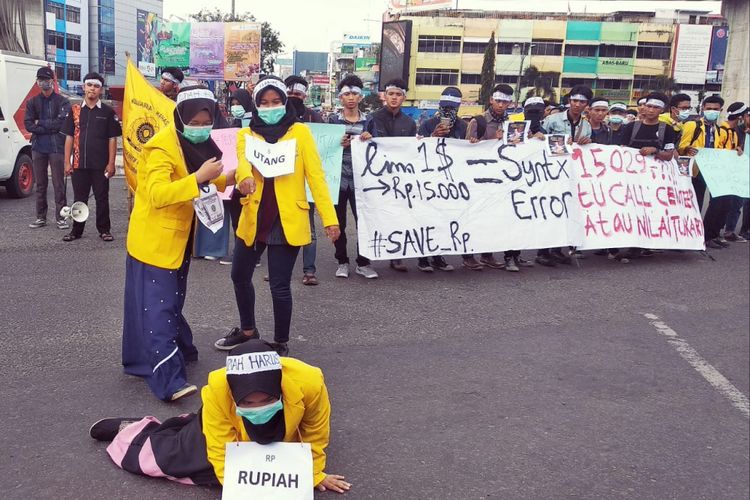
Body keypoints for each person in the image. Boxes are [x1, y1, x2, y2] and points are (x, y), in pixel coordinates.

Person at [91, 340, 351, 494]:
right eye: (247, 402)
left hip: (277, 433)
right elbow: (218, 447)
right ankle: (133, 430)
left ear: (279, 388)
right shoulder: (218, 387)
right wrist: (239, 488)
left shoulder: (310, 382)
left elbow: (316, 431)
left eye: (268, 400)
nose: (258, 408)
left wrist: (314, 473)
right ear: (235, 395)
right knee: (174, 459)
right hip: (220, 428)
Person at [214, 76, 339, 354]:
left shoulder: (300, 133)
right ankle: (248, 330)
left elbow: (316, 177)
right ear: (257, 106)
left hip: (287, 218)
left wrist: (330, 219)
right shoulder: (247, 134)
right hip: (254, 217)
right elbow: (243, 164)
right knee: (239, 275)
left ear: (285, 102)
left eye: (276, 102)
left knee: (280, 285)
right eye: (264, 103)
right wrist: (245, 179)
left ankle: (280, 342)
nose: (271, 107)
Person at [122, 85, 231, 401]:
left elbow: (207, 175)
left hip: (178, 240)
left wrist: (234, 180)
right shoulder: (161, 148)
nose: (200, 128)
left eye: (205, 121)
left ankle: (181, 349)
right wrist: (198, 178)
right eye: (194, 122)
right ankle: (168, 381)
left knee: (170, 300)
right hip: (154, 242)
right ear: (181, 118)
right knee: (159, 306)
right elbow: (157, 194)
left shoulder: (192, 145)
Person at [360, 77, 417, 273]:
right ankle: (365, 257)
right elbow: (361, 145)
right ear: (384, 96)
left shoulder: (409, 123)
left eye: (398, 95)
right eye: (391, 94)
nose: (394, 98)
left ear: (404, 97)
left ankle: (396, 255)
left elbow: (412, 151)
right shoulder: (372, 118)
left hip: (400, 179)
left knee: (399, 216)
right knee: (371, 216)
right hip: (375, 178)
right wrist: (364, 137)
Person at [535, 85, 593, 267]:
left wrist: (586, 143)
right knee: (549, 211)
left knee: (566, 212)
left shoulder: (587, 125)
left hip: (572, 175)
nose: (577, 105)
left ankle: (557, 250)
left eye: (582, 102)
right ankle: (542, 252)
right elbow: (538, 140)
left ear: (586, 105)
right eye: (574, 101)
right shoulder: (552, 120)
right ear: (569, 102)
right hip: (550, 173)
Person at [328, 75, 378, 279]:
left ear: (361, 97)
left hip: (362, 181)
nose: (351, 97)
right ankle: (342, 261)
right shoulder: (332, 120)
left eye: (355, 94)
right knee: (337, 222)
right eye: (346, 94)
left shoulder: (370, 121)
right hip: (338, 179)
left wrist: (371, 138)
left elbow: (380, 149)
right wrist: (335, 143)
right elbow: (322, 148)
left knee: (364, 222)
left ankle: (363, 262)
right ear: (340, 98)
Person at [60, 73, 121, 242]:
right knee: (79, 199)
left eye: (96, 86)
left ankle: (104, 230)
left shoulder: (108, 112)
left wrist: (111, 163)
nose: (92, 88)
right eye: (89, 85)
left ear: (101, 90)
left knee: (102, 198)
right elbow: (69, 137)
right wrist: (67, 161)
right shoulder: (75, 111)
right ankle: (76, 231)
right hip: (79, 164)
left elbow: (112, 139)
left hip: (101, 165)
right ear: (84, 87)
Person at [461, 84, 514, 271]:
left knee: (492, 218)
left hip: (500, 178)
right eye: (498, 100)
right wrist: (492, 142)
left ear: (510, 103)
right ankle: (468, 255)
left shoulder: (512, 124)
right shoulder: (478, 121)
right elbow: (467, 150)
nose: (501, 105)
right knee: (472, 217)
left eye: (505, 102)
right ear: (491, 100)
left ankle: (487, 254)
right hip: (477, 179)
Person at [415, 86, 468, 272]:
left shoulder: (463, 126)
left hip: (451, 181)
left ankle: (438, 255)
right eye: (445, 107)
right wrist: (432, 137)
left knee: (444, 219)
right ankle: (422, 257)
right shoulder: (428, 124)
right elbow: (416, 149)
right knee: (426, 218)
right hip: (429, 179)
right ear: (439, 105)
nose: (448, 112)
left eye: (452, 108)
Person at [285, 75, 324, 285]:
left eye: (297, 94)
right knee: (281, 228)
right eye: (289, 93)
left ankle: (309, 270)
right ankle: (279, 270)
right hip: (282, 182)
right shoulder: (276, 117)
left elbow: (326, 148)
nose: (293, 97)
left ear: (304, 95)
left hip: (306, 184)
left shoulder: (315, 118)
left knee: (309, 229)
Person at [25, 66, 71, 230]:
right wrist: (48, 126)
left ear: (52, 81)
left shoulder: (63, 101)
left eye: (46, 79)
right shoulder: (32, 102)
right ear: (37, 82)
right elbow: (28, 125)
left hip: (57, 147)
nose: (44, 82)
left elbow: (62, 123)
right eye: (41, 80)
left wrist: (40, 122)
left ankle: (61, 218)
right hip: (38, 147)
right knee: (41, 184)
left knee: (59, 184)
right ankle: (41, 217)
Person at [679, 95, 736, 215]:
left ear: (720, 111)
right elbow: (680, 147)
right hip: (693, 170)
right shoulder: (692, 125)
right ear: (703, 109)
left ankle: (704, 229)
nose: (712, 111)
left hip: (709, 170)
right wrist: (687, 149)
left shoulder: (719, 130)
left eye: (715, 109)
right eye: (709, 108)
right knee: (692, 202)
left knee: (712, 202)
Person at [720, 102, 748, 242]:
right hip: (729, 170)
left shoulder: (740, 130)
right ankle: (721, 230)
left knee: (737, 202)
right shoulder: (730, 129)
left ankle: (729, 230)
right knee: (727, 201)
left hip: (741, 170)